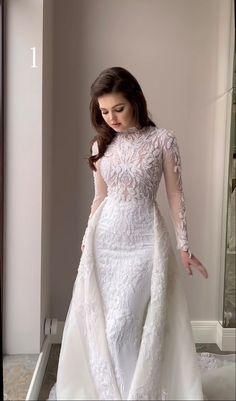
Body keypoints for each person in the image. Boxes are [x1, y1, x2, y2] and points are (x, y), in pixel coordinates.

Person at [53, 66, 209, 400]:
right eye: (104, 111)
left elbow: (175, 194)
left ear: (136, 100)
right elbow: (100, 197)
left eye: (118, 109)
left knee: (122, 327)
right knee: (105, 328)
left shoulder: (162, 140)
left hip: (143, 244)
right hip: (105, 242)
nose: (111, 118)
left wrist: (184, 245)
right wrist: (86, 238)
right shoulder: (100, 145)